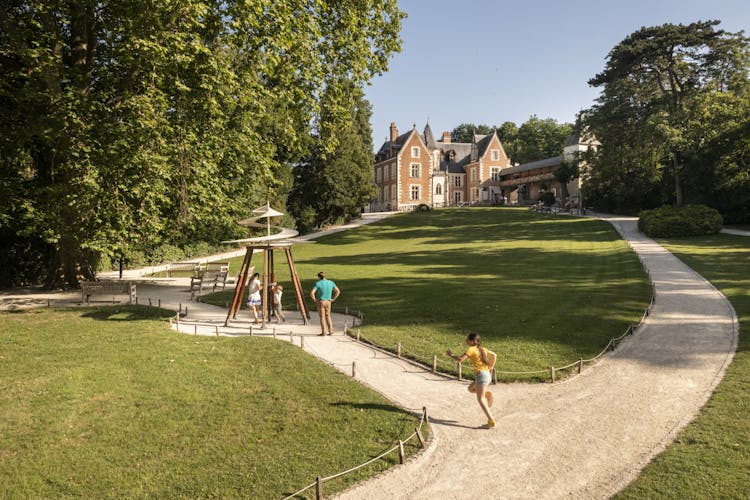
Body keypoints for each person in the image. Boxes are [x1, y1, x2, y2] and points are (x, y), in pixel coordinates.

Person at [446, 333, 497, 428]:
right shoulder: (482, 349)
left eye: (467, 339)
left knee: (480, 399)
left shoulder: (471, 349)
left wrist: (451, 355)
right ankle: (487, 394)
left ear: (472, 341)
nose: (466, 341)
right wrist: (491, 368)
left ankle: (491, 421)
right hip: (486, 375)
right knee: (470, 389)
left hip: (481, 376)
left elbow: (460, 359)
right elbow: (494, 355)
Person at [310, 271, 340, 336]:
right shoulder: (331, 282)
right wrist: (333, 299)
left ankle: (324, 332)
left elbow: (312, 293)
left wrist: (314, 299)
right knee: (328, 316)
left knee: (322, 317)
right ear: (325, 276)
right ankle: (331, 331)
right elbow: (338, 291)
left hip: (321, 302)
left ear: (319, 277)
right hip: (328, 301)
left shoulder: (318, 283)